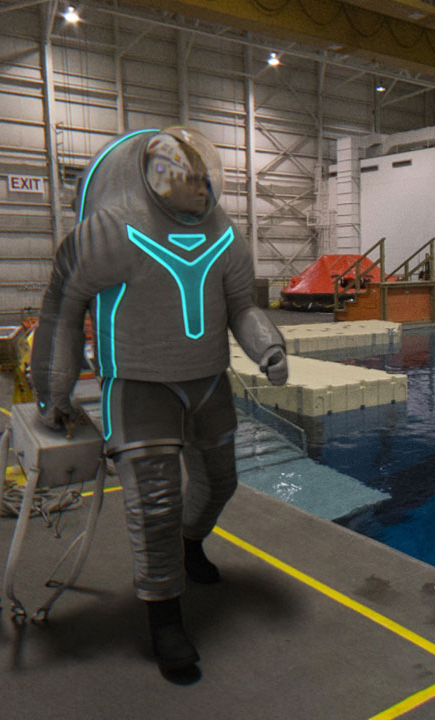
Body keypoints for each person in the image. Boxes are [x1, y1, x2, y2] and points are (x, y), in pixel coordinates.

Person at [31, 126, 288, 677]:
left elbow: (242, 306)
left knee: (220, 483)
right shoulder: (108, 232)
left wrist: (268, 347)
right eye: (186, 177)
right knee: (155, 505)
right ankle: (164, 616)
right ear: (157, 176)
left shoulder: (225, 235)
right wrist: (53, 391)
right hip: (138, 386)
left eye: (201, 178)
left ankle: (191, 548)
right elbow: (61, 310)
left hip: (208, 382)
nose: (197, 188)